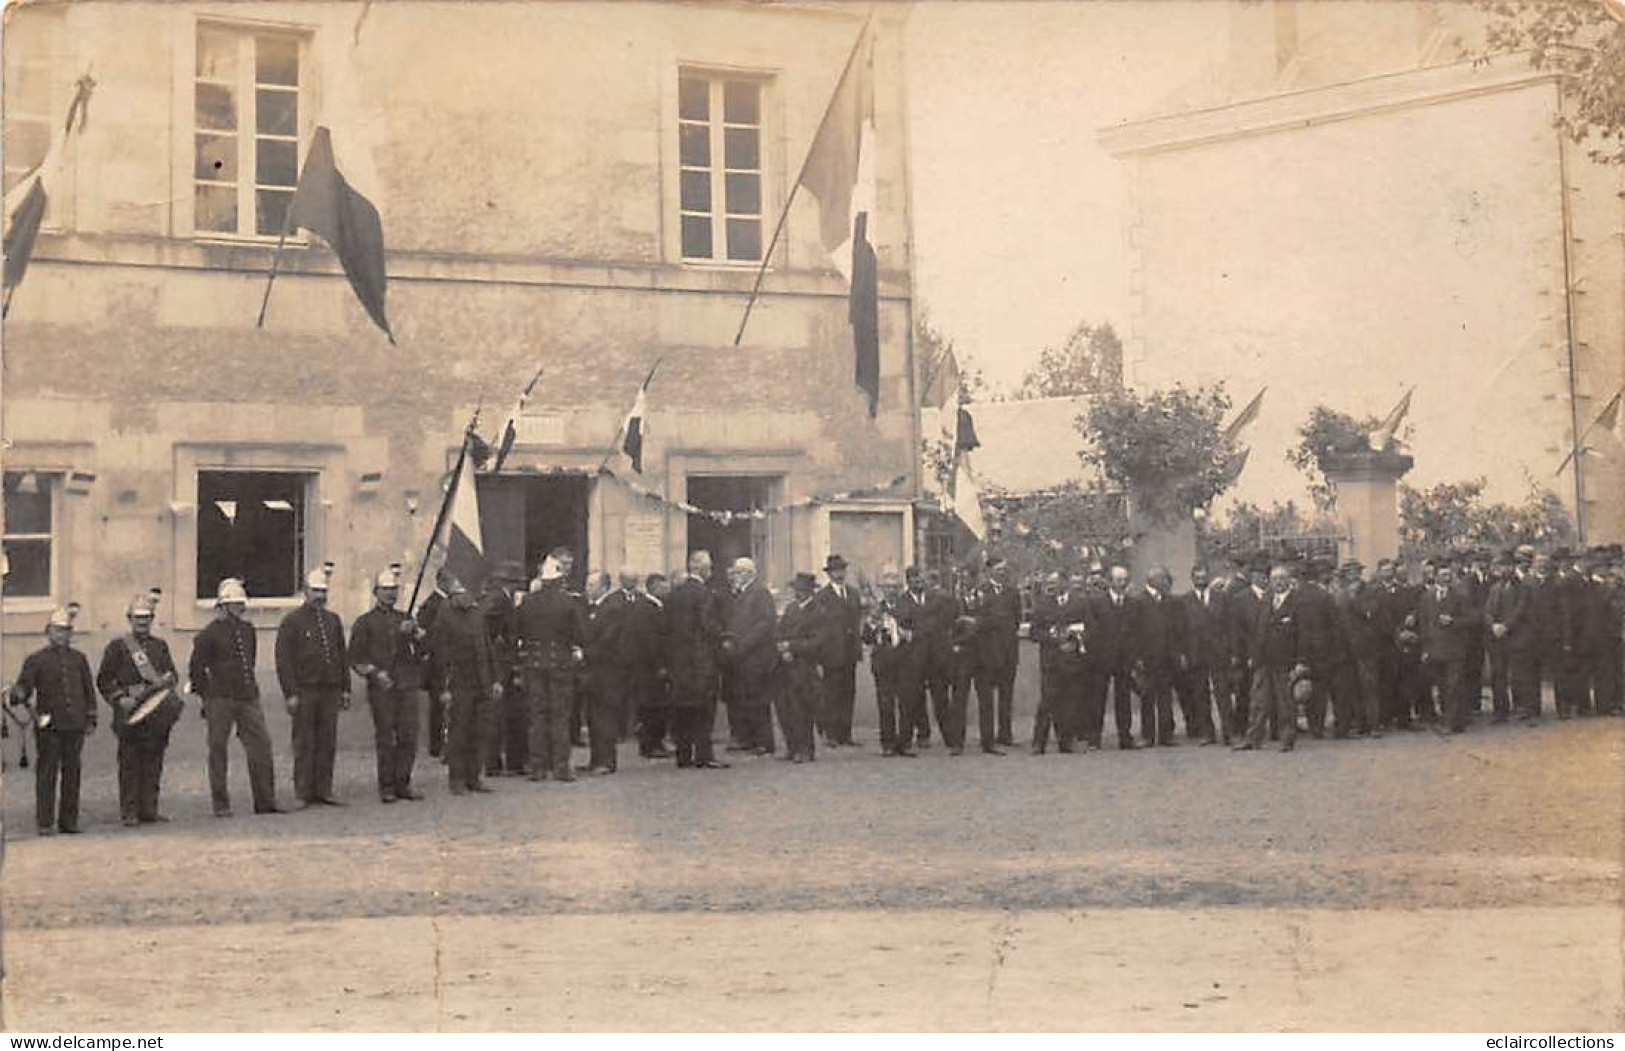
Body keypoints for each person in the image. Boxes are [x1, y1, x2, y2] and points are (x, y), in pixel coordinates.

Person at [190, 577, 284, 816]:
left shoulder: (247, 630)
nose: (239, 609)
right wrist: (206, 697)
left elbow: (248, 663)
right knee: (218, 750)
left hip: (246, 695)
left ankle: (265, 801)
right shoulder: (207, 635)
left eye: (240, 604)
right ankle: (221, 804)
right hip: (219, 697)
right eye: (234, 605)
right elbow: (196, 670)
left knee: (261, 746)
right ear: (222, 606)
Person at [98, 594, 184, 826]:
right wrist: (118, 698)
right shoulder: (117, 647)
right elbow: (104, 680)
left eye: (146, 619)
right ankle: (129, 811)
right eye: (138, 619)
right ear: (129, 619)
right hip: (131, 713)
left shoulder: (160, 646)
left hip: (156, 712)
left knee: (154, 762)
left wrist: (168, 679)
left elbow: (172, 674)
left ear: (152, 619)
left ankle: (149, 809)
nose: (142, 623)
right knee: (129, 764)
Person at [11, 607, 96, 835]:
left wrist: (90, 717)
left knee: (72, 773)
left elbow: (88, 690)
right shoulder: (36, 660)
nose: (62, 635)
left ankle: (69, 821)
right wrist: (17, 693)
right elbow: (24, 689)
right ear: (48, 632)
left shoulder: (79, 659)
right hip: (48, 725)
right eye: (57, 631)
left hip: (75, 724)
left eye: (66, 631)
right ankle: (45, 822)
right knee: (47, 773)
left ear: (71, 633)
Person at [349, 565, 427, 803]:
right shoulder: (365, 622)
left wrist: (415, 635)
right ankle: (387, 786)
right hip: (382, 687)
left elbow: (423, 652)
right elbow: (355, 658)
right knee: (386, 737)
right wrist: (374, 673)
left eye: (393, 590)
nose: (390, 595)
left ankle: (404, 781)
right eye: (385, 590)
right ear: (376, 592)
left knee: (408, 735)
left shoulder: (406, 618)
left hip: (406, 684)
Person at [274, 568, 351, 807]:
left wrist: (345, 688)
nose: (319, 596)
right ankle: (303, 792)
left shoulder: (333, 620)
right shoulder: (292, 622)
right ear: (305, 592)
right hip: (305, 689)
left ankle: (324, 789)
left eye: (323, 591)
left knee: (327, 741)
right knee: (305, 742)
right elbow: (283, 660)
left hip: (329, 689)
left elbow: (341, 655)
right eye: (315, 591)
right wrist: (290, 693)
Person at [426, 574, 501, 794]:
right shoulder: (445, 616)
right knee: (459, 733)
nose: (467, 597)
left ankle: (474, 776)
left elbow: (488, 648)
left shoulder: (477, 614)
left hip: (482, 681)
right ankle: (457, 778)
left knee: (480, 731)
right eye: (462, 593)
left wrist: (495, 678)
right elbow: (439, 656)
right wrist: (442, 688)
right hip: (458, 684)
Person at [516, 550, 587, 782]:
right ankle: (560, 767)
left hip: (533, 663)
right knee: (560, 716)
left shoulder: (528, 602)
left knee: (537, 716)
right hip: (560, 663)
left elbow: (519, 630)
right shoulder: (568, 602)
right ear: (559, 580)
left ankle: (537, 766)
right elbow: (580, 633)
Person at [666, 550, 729, 769]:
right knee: (704, 710)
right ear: (701, 568)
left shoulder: (675, 593)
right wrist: (722, 638)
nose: (711, 570)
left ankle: (683, 755)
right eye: (709, 566)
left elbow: (667, 629)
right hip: (701, 661)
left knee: (682, 709)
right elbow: (708, 626)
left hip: (678, 662)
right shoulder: (703, 593)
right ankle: (704, 754)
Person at [1236, 558, 1303, 753]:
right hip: (1263, 660)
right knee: (1258, 701)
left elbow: (1303, 634)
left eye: (1282, 578)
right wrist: (1253, 656)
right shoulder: (1265, 602)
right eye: (1275, 579)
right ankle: (1253, 738)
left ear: (1289, 580)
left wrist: (1300, 661)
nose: (1278, 582)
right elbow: (1259, 631)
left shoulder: (1297, 602)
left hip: (1285, 661)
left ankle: (1287, 739)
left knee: (1285, 702)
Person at [720, 557, 778, 755]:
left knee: (758, 699)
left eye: (737, 572)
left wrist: (743, 644)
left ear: (748, 574)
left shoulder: (760, 592)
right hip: (741, 656)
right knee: (743, 697)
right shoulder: (739, 594)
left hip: (756, 656)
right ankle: (747, 738)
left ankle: (763, 741)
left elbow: (764, 624)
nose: (734, 576)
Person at [585, 571, 640, 774]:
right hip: (597, 671)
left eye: (591, 585)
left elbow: (608, 640)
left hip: (609, 671)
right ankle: (596, 759)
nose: (587, 588)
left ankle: (606, 761)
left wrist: (585, 652)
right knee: (594, 716)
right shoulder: (598, 607)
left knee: (605, 717)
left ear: (604, 586)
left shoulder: (612, 608)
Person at [1419, 559, 1480, 734]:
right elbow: (1424, 625)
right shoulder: (1426, 597)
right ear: (1435, 576)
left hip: (1455, 649)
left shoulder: (1460, 597)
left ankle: (1452, 722)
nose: (1447, 578)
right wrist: (1425, 649)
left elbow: (1472, 619)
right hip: (1435, 650)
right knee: (1442, 686)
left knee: (1454, 685)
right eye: (1443, 575)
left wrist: (1454, 621)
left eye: (1449, 575)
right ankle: (1452, 719)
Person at [863, 566, 918, 757]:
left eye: (894, 587)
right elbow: (866, 638)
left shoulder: (909, 606)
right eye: (887, 587)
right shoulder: (876, 609)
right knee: (885, 705)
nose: (891, 591)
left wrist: (903, 632)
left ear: (900, 588)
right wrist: (874, 626)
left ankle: (905, 743)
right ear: (881, 589)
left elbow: (919, 631)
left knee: (906, 703)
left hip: (905, 661)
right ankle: (887, 743)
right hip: (883, 662)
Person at [1031, 571, 1087, 754]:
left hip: (1072, 660)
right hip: (1051, 661)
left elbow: (1091, 628)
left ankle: (1066, 741)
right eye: (1050, 583)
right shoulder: (1042, 605)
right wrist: (1052, 637)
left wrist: (1075, 639)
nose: (1052, 586)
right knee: (1047, 702)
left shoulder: (1080, 603)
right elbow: (1034, 633)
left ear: (1065, 582)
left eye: (1055, 582)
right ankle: (1039, 742)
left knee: (1070, 702)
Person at [1084, 564, 1138, 750]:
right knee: (1097, 698)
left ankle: (1125, 736)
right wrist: (1096, 655)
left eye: (1125, 580)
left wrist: (1132, 656)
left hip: (1124, 659)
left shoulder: (1132, 603)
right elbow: (1091, 631)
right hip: (1102, 658)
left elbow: (1135, 632)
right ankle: (1094, 738)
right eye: (1118, 580)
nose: (1122, 584)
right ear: (1109, 582)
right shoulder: (1096, 603)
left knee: (1123, 699)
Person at [774, 572, 826, 763]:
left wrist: (791, 647)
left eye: (802, 591)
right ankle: (792, 747)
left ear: (810, 592)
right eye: (797, 590)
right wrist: (781, 648)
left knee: (803, 710)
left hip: (806, 667)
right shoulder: (790, 609)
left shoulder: (818, 612)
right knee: (786, 708)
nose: (799, 594)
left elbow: (817, 642)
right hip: (786, 667)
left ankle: (806, 749)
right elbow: (779, 632)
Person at [483, 560, 528, 778]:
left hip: (504, 662)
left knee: (505, 713)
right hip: (500, 664)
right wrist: (498, 641)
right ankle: (493, 763)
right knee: (498, 714)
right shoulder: (497, 599)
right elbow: (489, 628)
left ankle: (503, 762)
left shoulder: (501, 597)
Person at [971, 559, 1022, 747]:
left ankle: (1005, 734)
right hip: (987, 653)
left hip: (1008, 652)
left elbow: (1017, 619)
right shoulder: (981, 592)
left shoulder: (1013, 593)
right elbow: (978, 620)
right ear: (989, 571)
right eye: (999, 569)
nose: (1003, 573)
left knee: (1006, 696)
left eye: (1004, 569)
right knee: (986, 699)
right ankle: (988, 737)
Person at [1130, 566, 1183, 747]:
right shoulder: (1138, 602)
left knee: (1165, 698)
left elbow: (1176, 630)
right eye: (1165, 579)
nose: (1168, 583)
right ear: (1154, 580)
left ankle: (1166, 735)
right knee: (1147, 698)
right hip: (1147, 659)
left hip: (1166, 658)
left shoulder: (1170, 602)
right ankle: (1148, 735)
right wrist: (1137, 658)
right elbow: (1133, 632)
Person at [814, 554, 863, 747]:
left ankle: (846, 733)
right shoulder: (822, 597)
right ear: (829, 574)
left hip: (849, 651)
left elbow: (857, 620)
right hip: (831, 653)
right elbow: (820, 627)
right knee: (831, 693)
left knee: (848, 692)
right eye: (835, 571)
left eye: (841, 570)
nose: (839, 574)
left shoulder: (853, 593)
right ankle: (831, 733)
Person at [1178, 563, 1229, 745]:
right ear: (1192, 579)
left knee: (1222, 694)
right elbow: (1181, 631)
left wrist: (1229, 651)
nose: (1201, 581)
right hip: (1196, 654)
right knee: (1200, 695)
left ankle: (1228, 732)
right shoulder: (1184, 601)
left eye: (1203, 577)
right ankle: (1208, 733)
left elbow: (1229, 626)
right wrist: (1183, 654)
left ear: (1208, 577)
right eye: (1197, 578)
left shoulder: (1222, 598)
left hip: (1218, 652)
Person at [632, 573, 673, 759]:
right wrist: (660, 664)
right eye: (665, 587)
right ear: (655, 588)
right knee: (651, 706)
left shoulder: (655, 607)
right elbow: (650, 641)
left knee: (656, 706)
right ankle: (650, 744)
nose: (668, 590)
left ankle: (655, 742)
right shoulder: (646, 609)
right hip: (649, 668)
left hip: (650, 667)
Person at [415, 568, 454, 759]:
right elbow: (422, 635)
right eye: (449, 580)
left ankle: (442, 744)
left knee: (443, 705)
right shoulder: (432, 604)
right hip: (435, 662)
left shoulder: (447, 603)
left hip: (446, 660)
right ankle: (436, 745)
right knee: (438, 705)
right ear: (440, 582)